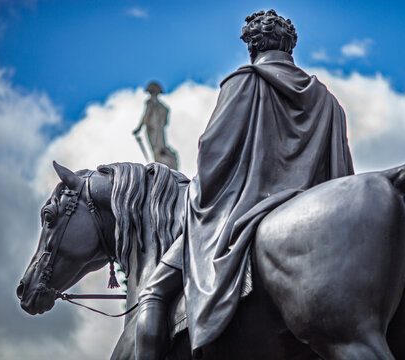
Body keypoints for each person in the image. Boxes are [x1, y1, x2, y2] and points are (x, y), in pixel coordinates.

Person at [135, 9, 354, 359]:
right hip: (318, 227)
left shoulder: (243, 82)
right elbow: (343, 176)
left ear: (251, 46)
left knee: (154, 294)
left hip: (242, 213)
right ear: (290, 45)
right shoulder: (327, 100)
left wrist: (192, 202)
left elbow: (212, 156)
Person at [132, 82, 178, 170]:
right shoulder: (162, 106)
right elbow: (165, 119)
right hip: (156, 128)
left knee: (156, 147)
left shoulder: (151, 103)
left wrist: (139, 128)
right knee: (158, 145)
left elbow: (146, 116)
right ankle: (160, 160)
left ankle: (161, 162)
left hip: (152, 128)